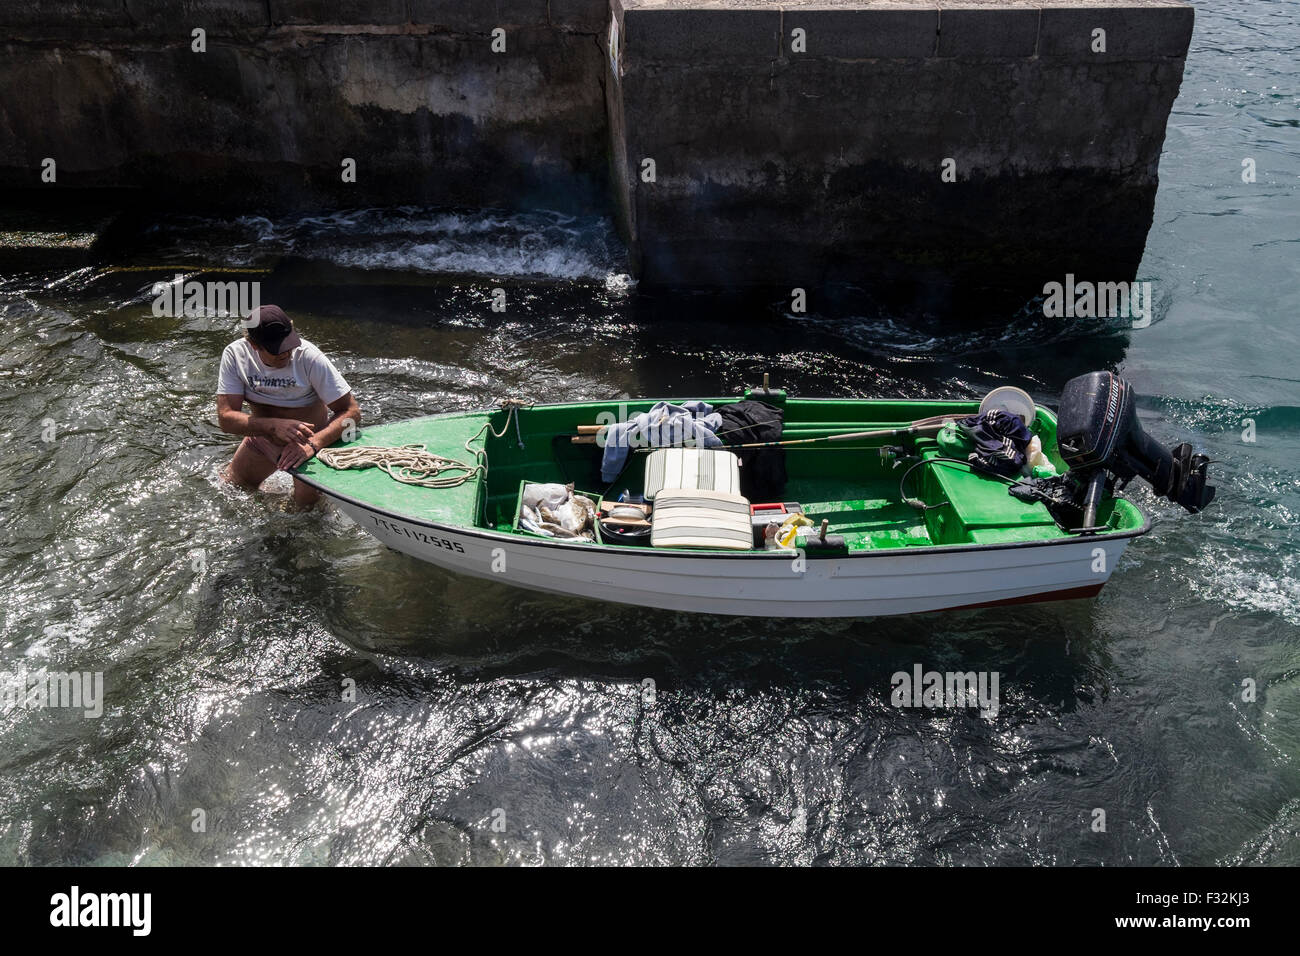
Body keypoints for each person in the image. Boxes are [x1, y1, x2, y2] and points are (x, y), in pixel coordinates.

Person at [216, 305, 360, 509]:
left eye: (289, 345)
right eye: (276, 349)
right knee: (230, 490)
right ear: (254, 345)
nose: (286, 353)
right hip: (263, 439)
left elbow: (351, 412)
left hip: (309, 446)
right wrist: (273, 426)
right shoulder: (236, 355)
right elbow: (226, 419)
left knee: (306, 513)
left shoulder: (309, 357)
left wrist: (313, 444)